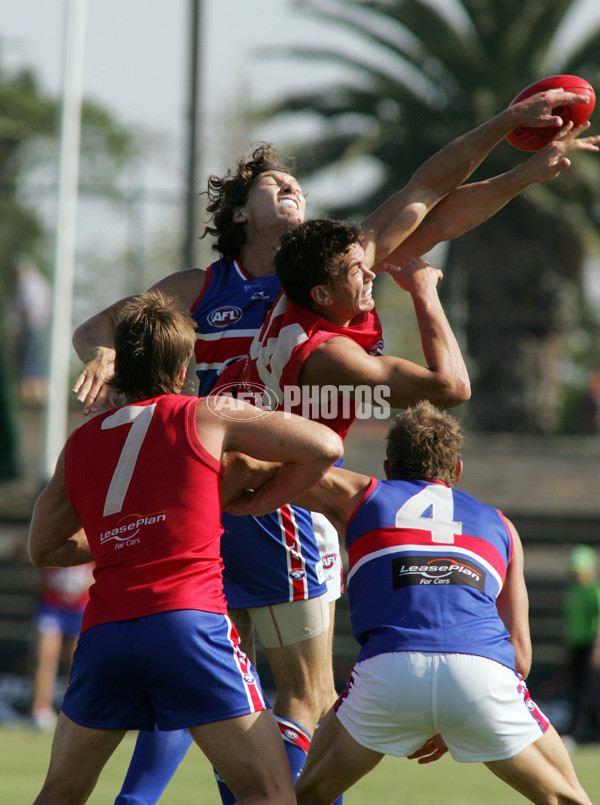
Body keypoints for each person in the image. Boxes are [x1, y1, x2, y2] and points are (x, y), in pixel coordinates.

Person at [71, 88, 600, 804]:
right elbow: (448, 374)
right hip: (268, 493)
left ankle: (156, 796)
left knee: (218, 673)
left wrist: (517, 162)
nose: (290, 184)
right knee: (303, 691)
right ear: (240, 215)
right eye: (270, 183)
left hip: (219, 487)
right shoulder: (229, 296)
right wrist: (101, 353)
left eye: (296, 183)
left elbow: (433, 202)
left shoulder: (316, 279)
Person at [28, 291, 342, 805]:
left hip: (104, 633)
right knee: (267, 790)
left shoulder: (80, 442)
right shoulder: (206, 412)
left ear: (120, 366)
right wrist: (255, 502)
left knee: (60, 793)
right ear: (180, 371)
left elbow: (45, 548)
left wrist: (124, 534)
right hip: (187, 623)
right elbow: (326, 446)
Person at [236, 400, 592, 805]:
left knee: (306, 796)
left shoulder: (361, 493)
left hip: (391, 671)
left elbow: (259, 467)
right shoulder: (503, 527)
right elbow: (522, 658)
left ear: (388, 469)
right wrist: (453, 715)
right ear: (457, 471)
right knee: (568, 798)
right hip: (483, 675)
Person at [30, 564, 94, 731]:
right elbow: (37, 571)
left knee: (77, 662)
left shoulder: (88, 543)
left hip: (82, 605)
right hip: (53, 605)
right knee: (46, 658)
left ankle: (73, 711)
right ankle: (41, 709)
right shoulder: (53, 541)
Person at [564, 544, 600, 743]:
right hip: (576, 644)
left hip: (590, 645)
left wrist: (597, 646)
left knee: (586, 689)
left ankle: (575, 731)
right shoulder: (574, 591)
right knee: (583, 688)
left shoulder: (594, 590)